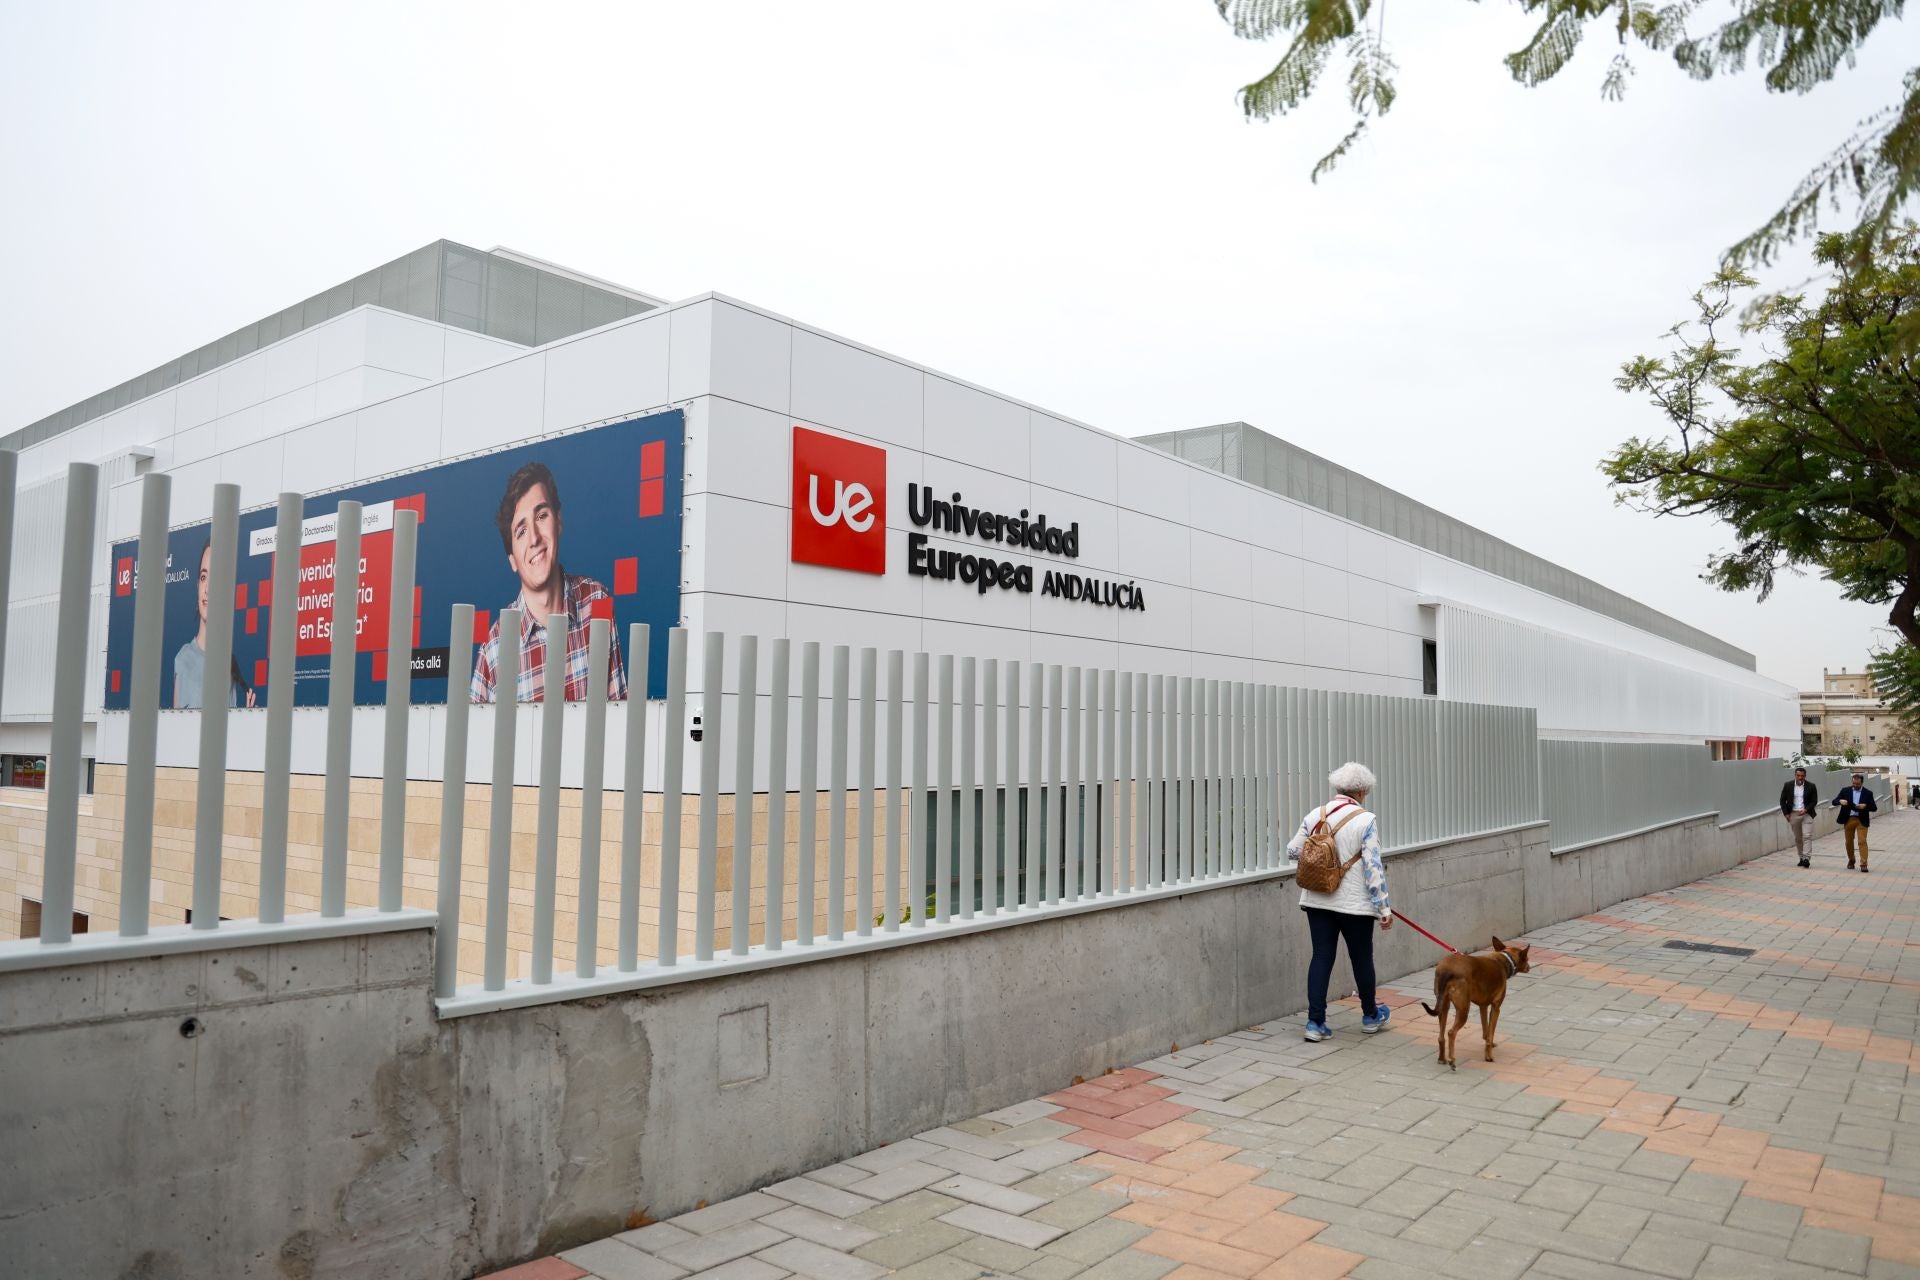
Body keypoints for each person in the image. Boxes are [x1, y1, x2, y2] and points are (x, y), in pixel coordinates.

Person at [472, 461, 627, 703]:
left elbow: (618, 709)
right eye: (521, 531)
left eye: (541, 516)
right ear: (512, 560)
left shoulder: (598, 601)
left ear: (559, 521)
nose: (534, 538)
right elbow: (473, 727)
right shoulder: (494, 647)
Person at [1286, 761, 1392, 1043]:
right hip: (1354, 904)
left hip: (1317, 899)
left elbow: (1293, 851)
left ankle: (1315, 1023)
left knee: (1321, 957)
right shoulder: (1366, 820)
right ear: (1362, 791)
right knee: (1361, 959)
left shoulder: (1315, 815)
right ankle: (1370, 1016)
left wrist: (1323, 854)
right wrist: (1383, 907)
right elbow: (1373, 868)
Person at [174, 539, 255, 709]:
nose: (207, 589)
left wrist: (246, 718)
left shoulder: (230, 664)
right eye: (204, 577)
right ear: (198, 585)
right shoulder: (183, 659)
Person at [1833, 772, 1877, 873]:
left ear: (1862, 783)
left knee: (1862, 841)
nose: (1856, 786)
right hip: (1849, 819)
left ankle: (1863, 864)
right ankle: (1851, 860)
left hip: (1862, 820)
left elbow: (1874, 808)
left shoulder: (1868, 793)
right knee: (1849, 842)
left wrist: (1865, 806)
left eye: (1858, 784)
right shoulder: (1845, 791)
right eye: (1854, 783)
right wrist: (1840, 801)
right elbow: (1834, 801)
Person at [1780, 767, 1819, 868]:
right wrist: (1786, 814)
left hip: (1807, 814)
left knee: (1807, 836)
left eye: (1802, 776)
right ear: (1795, 775)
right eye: (1798, 775)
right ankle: (1801, 857)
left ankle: (1806, 858)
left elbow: (1814, 801)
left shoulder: (1811, 786)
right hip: (1794, 813)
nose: (1800, 777)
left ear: (1805, 776)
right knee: (1798, 838)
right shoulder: (1788, 785)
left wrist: (1806, 809)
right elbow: (1782, 800)